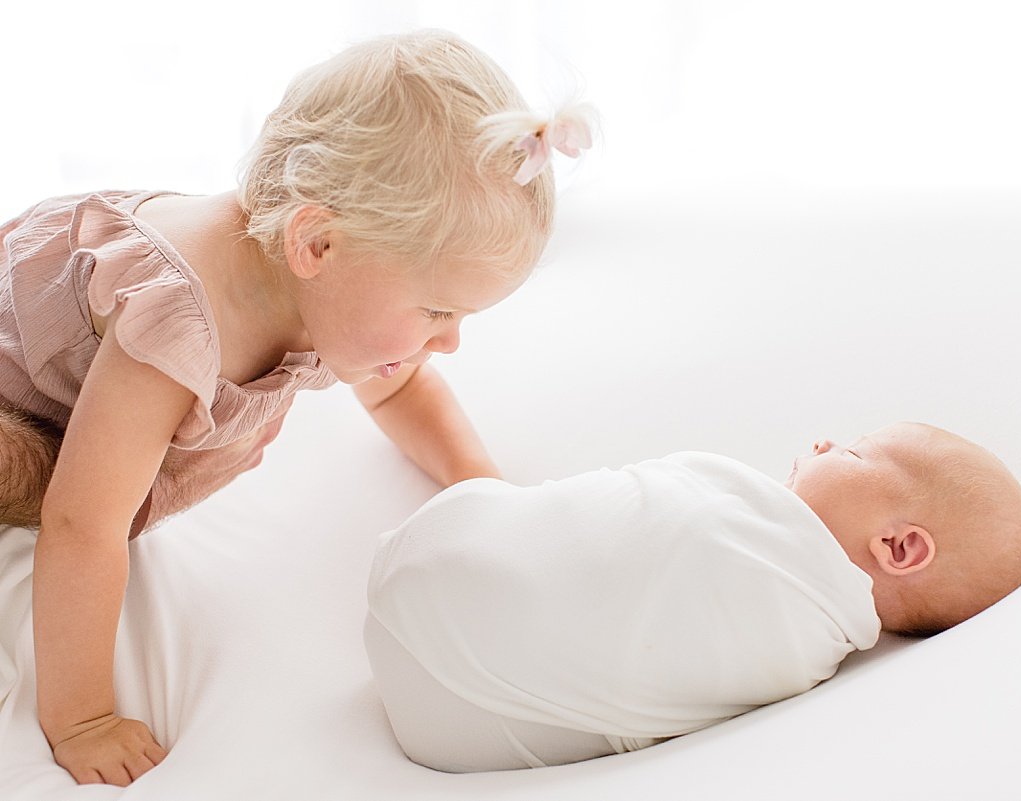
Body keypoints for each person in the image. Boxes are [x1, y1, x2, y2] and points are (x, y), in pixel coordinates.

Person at [0, 31, 593, 786]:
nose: (447, 344)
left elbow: (402, 385)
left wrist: (479, 484)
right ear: (316, 243)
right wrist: (81, 718)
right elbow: (84, 526)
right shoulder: (176, 325)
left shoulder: (320, 292)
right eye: (437, 310)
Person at [364, 422, 1021, 772]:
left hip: (440, 596)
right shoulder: (800, 650)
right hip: (450, 725)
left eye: (855, 453)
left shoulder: (778, 600)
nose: (822, 442)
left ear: (898, 548)